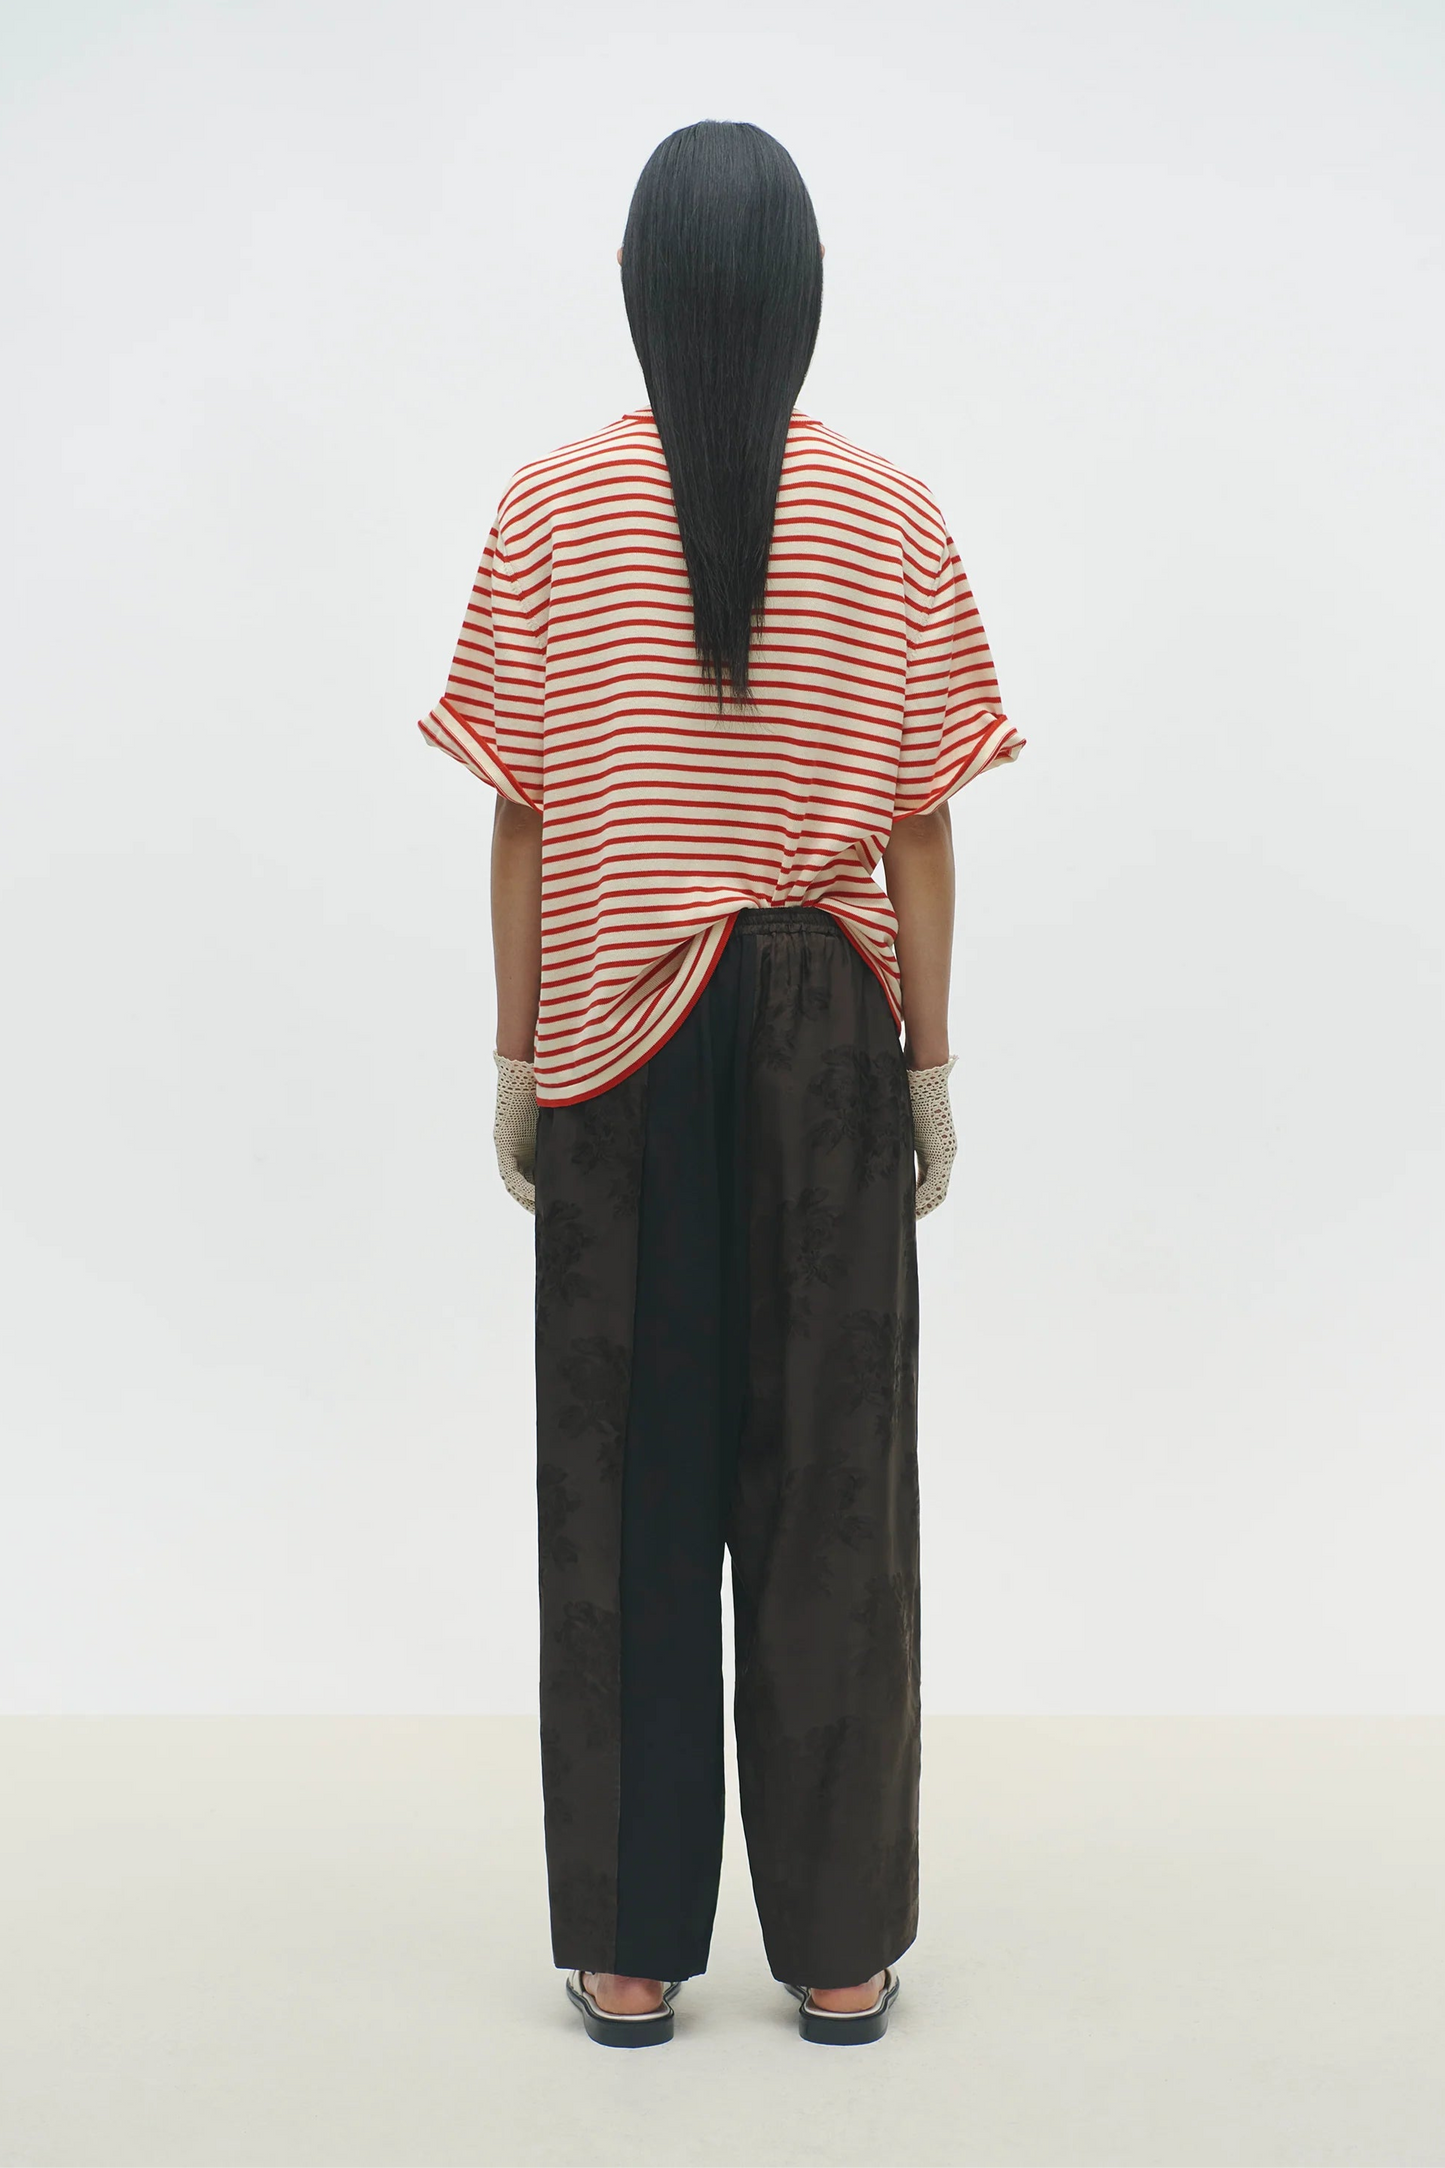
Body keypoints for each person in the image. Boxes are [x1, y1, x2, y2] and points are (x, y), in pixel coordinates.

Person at [414, 119, 1023, 2048]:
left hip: (621, 1038)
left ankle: (629, 1944)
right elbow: (921, 826)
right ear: (807, 293)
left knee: (625, 1491)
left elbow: (523, 814)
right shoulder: (897, 515)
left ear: (638, 287)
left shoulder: (547, 510)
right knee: (835, 1484)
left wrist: (517, 1054)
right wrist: (930, 1067)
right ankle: (839, 1950)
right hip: (829, 1034)